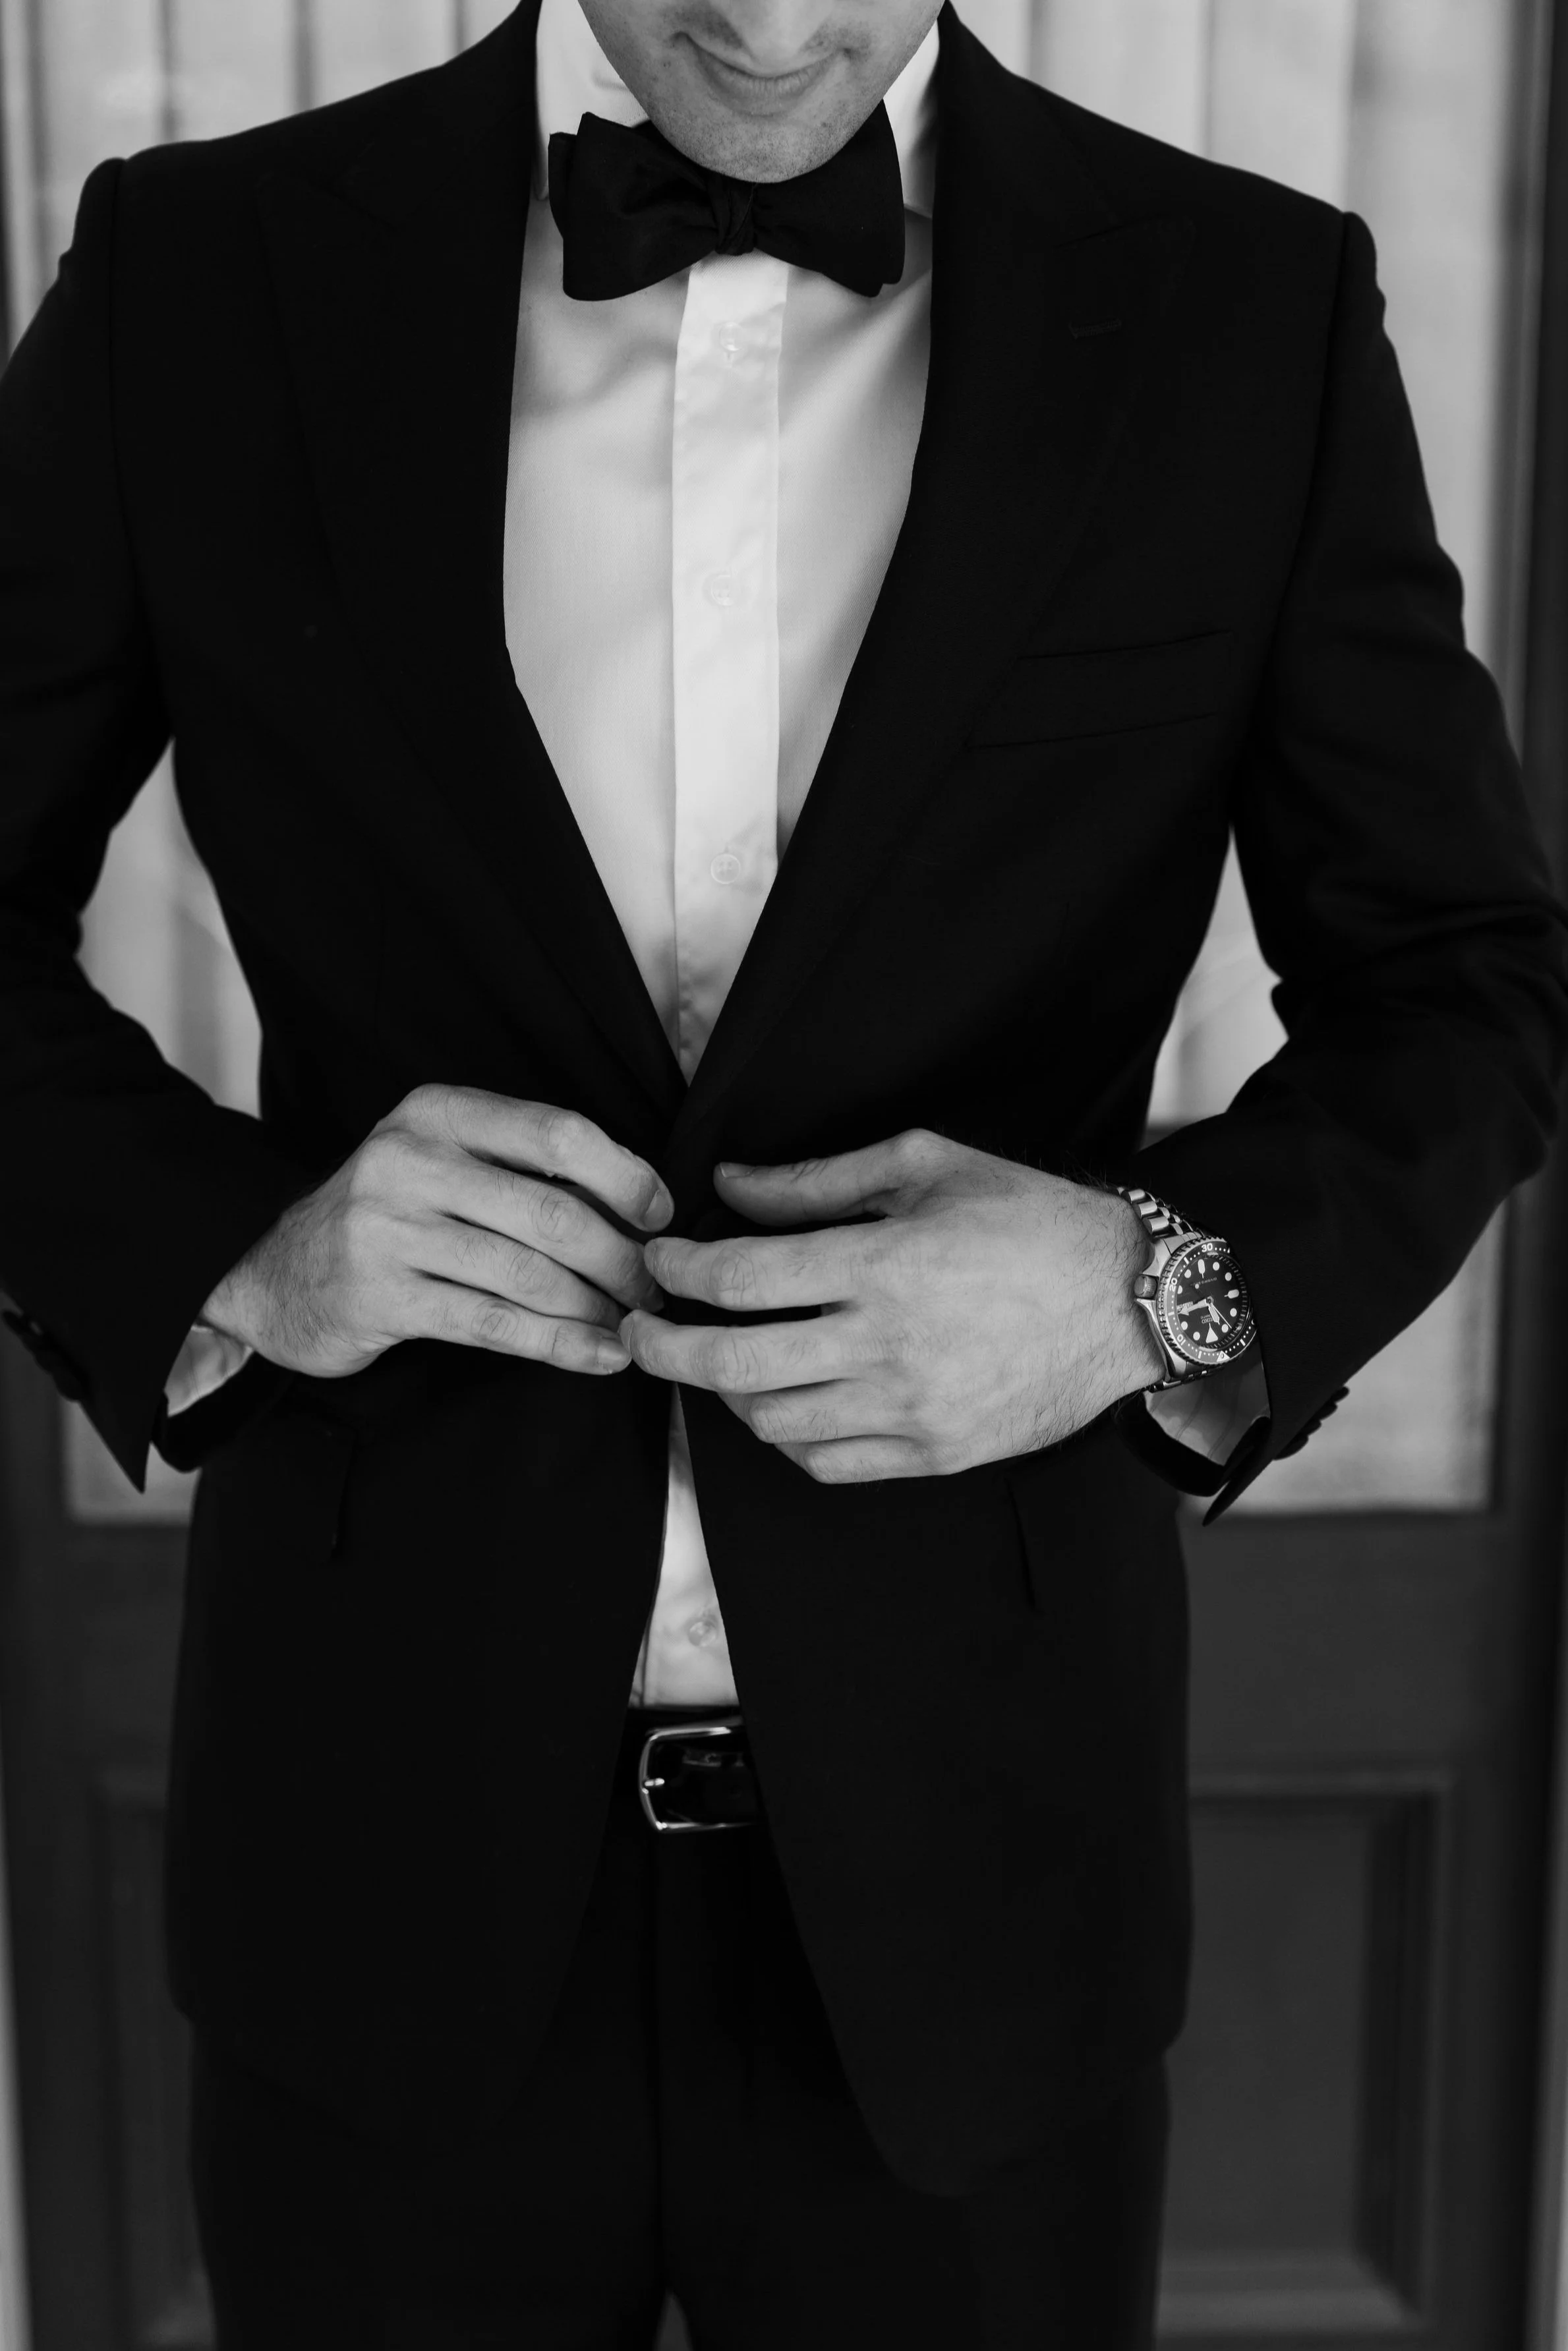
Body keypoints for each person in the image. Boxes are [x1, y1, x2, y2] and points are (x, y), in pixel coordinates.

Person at [0, 0, 1563, 2341]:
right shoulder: (196, 275)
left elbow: (1465, 982)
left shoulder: (1249, 306)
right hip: (379, 1878)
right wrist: (237, 1253)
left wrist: (1145, 1285)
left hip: (980, 1905)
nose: (757, 15)